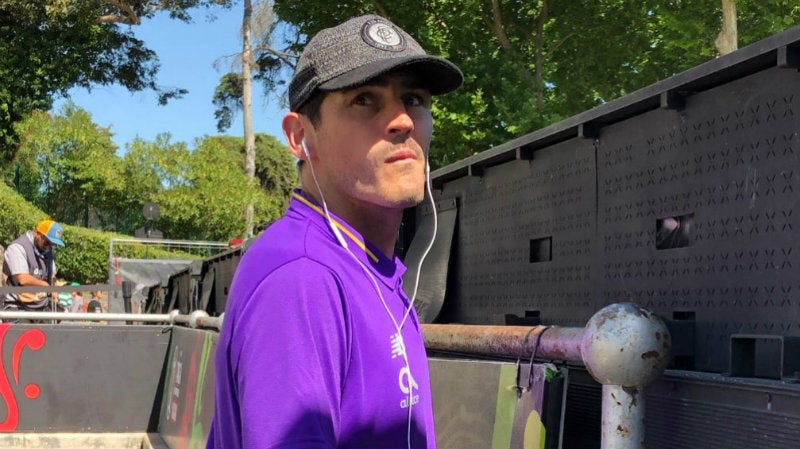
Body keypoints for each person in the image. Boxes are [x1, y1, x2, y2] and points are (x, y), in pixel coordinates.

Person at [207, 14, 462, 449]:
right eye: (364, 99)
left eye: (415, 98)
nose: (402, 120)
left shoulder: (366, 266)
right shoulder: (303, 279)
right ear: (300, 136)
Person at [2, 220, 65, 311]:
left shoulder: (48, 251)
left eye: (53, 244)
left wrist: (54, 287)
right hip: (17, 304)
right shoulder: (17, 247)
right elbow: (22, 279)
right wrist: (46, 285)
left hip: (41, 304)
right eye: (47, 242)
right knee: (26, 325)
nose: (48, 247)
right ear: (37, 233)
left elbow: (52, 275)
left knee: (59, 313)